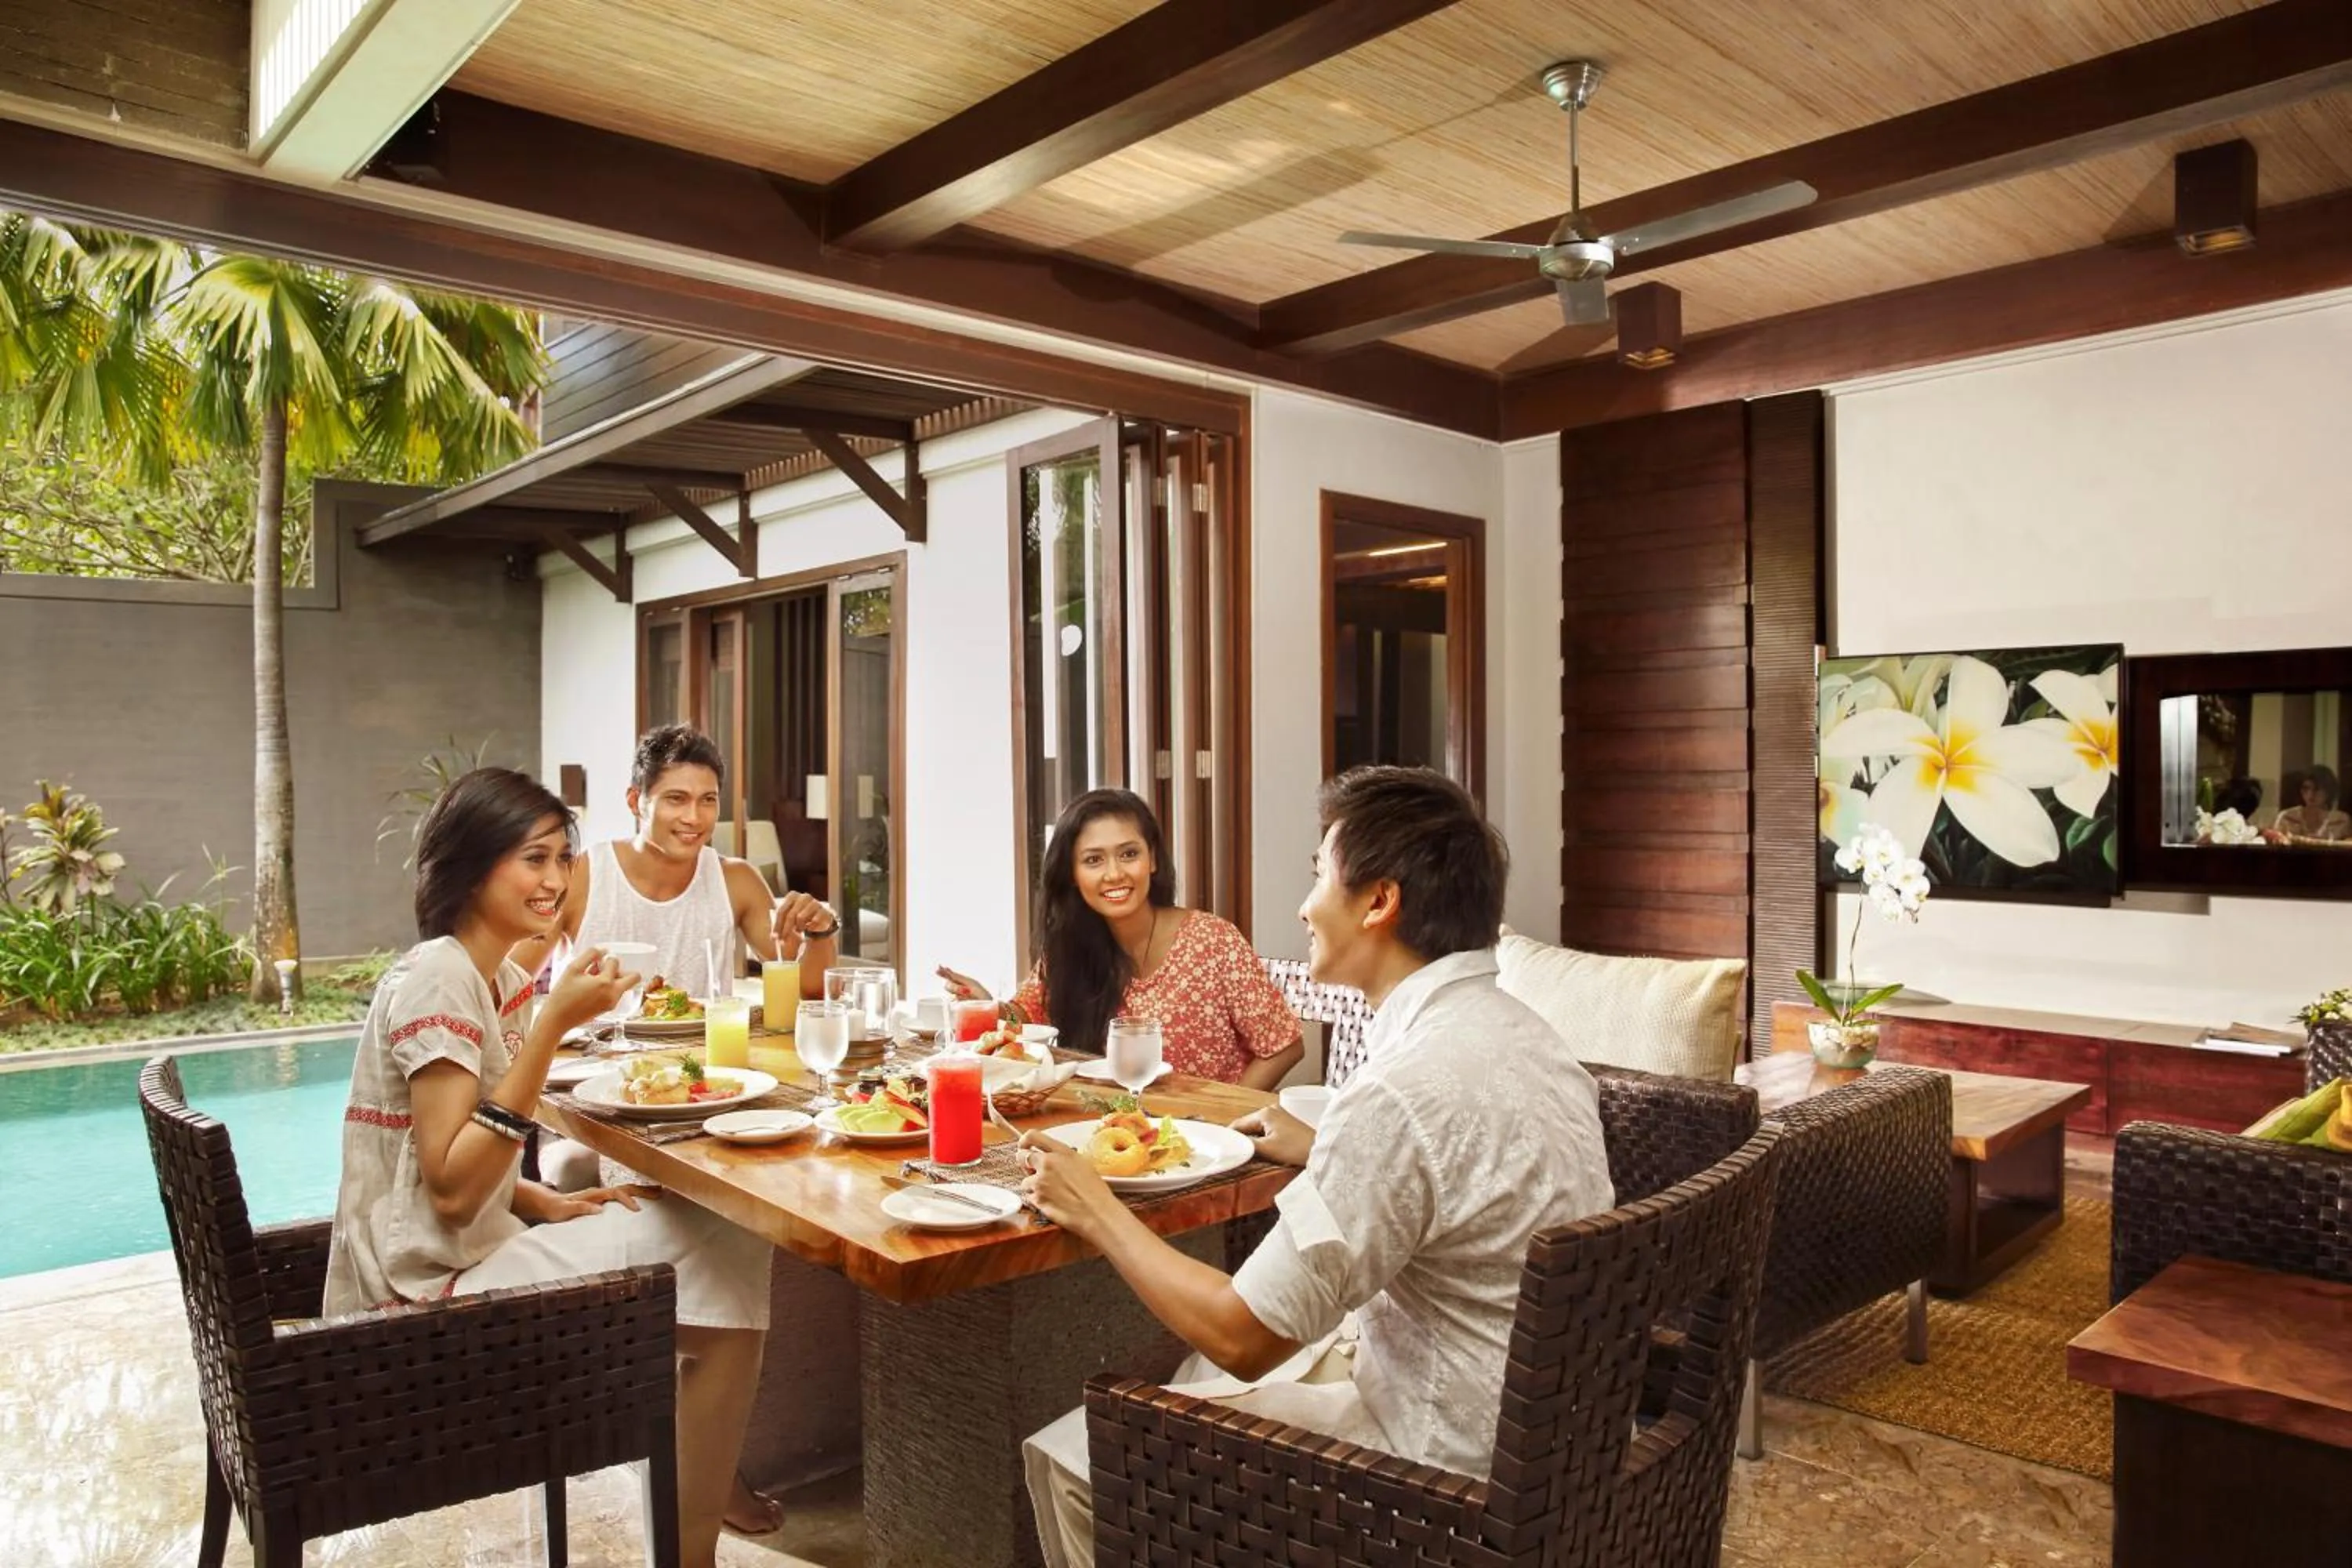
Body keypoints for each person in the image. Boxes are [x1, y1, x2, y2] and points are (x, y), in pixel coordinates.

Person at [1014, 766, 1615, 1566]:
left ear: (1378, 901)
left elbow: (1242, 1335)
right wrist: (1324, 1136)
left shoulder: (1398, 1093)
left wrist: (1094, 1206)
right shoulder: (1531, 1039)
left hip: (1444, 1475)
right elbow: (1444, 1149)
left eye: (1317, 875)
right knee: (1205, 1378)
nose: (1303, 906)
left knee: (1075, 1453)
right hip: (1556, 1442)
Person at [324, 768, 771, 1568]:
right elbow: (455, 1190)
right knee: (726, 1257)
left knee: (720, 1239)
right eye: (533, 859)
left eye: (562, 859)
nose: (556, 881)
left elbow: (437, 1166)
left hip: (445, 1255)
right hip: (421, 1293)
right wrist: (550, 1024)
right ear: (471, 863)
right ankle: (690, 1540)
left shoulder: (478, 972)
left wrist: (538, 1198)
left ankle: (684, 1508)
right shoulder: (442, 976)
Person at [937, 789, 1301, 1087]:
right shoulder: (1070, 947)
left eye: (1129, 854)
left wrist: (1227, 1117)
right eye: (1094, 860)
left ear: (1153, 859)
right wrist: (986, 1006)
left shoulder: (1213, 940)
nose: (1115, 874)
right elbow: (1026, 1020)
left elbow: (1285, 1047)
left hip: (1211, 1144)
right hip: (1111, 1131)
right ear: (1072, 874)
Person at [557, 724, 840, 999]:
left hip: (702, 1047)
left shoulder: (736, 880)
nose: (694, 817)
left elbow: (811, 990)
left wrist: (822, 932)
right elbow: (515, 980)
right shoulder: (583, 874)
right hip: (593, 1047)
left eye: (707, 800)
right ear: (635, 802)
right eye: (676, 799)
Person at [2267, 765, 2350, 844]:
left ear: (2328, 791)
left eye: (2317, 789)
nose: (2310, 794)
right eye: (2306, 788)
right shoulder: (2286, 817)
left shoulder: (2341, 820)